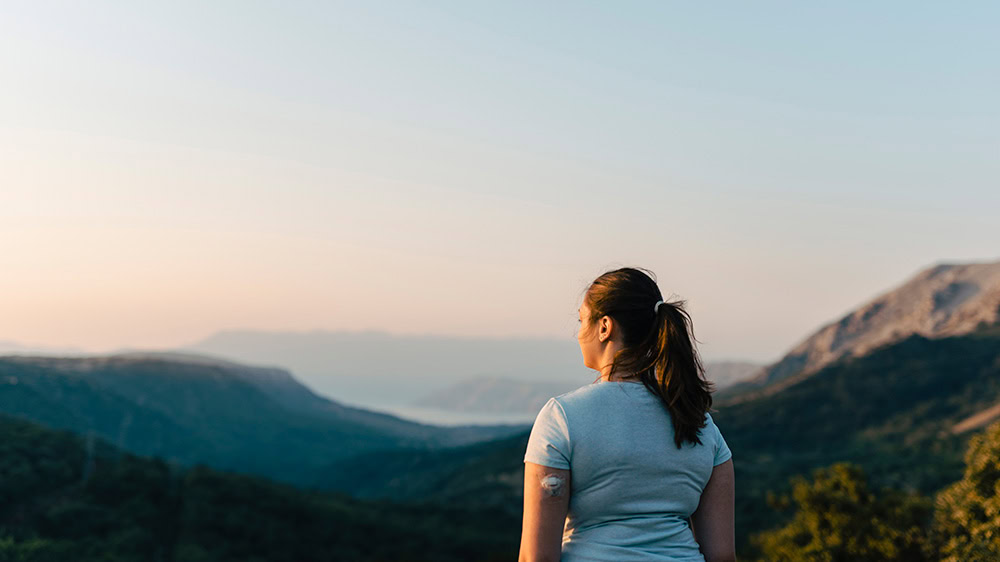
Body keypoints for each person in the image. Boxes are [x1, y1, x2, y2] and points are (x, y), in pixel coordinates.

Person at [518, 267, 736, 562]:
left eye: (582, 320)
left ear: (605, 326)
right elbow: (721, 556)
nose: (579, 333)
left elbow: (537, 557)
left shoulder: (563, 418)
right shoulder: (700, 423)